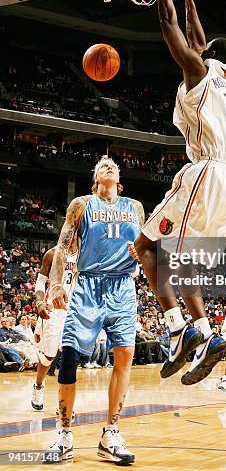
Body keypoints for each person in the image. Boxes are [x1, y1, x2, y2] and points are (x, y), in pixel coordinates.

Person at [130, 0, 226, 386]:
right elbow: (198, 38)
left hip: (210, 172)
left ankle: (192, 330)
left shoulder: (199, 70)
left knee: (150, 248)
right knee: (173, 258)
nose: (196, 45)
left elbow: (170, 27)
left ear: (209, 54)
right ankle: (187, 332)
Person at [47, 156, 144, 464]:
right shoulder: (81, 204)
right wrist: (56, 284)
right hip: (88, 284)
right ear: (95, 177)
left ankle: (111, 433)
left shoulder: (135, 207)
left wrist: (139, 252)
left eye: (112, 163)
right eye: (102, 163)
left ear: (119, 178)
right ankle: (64, 433)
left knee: (124, 356)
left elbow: (146, 248)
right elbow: (63, 246)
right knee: (69, 357)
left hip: (122, 287)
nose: (108, 163)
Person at [31, 245, 77, 411]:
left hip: (74, 310)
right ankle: (38, 385)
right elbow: (40, 284)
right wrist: (40, 302)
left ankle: (64, 400)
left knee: (70, 356)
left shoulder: (86, 253)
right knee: (48, 357)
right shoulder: (52, 253)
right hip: (54, 310)